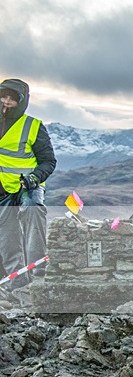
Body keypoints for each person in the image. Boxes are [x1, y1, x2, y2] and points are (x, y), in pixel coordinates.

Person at [0, 78, 56, 290]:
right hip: (2, 190)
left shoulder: (33, 126)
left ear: (22, 102)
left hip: (28, 186)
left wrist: (34, 178)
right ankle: (17, 286)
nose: (6, 101)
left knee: (33, 212)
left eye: (12, 99)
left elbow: (48, 161)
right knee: (8, 239)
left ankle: (39, 274)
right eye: (3, 96)